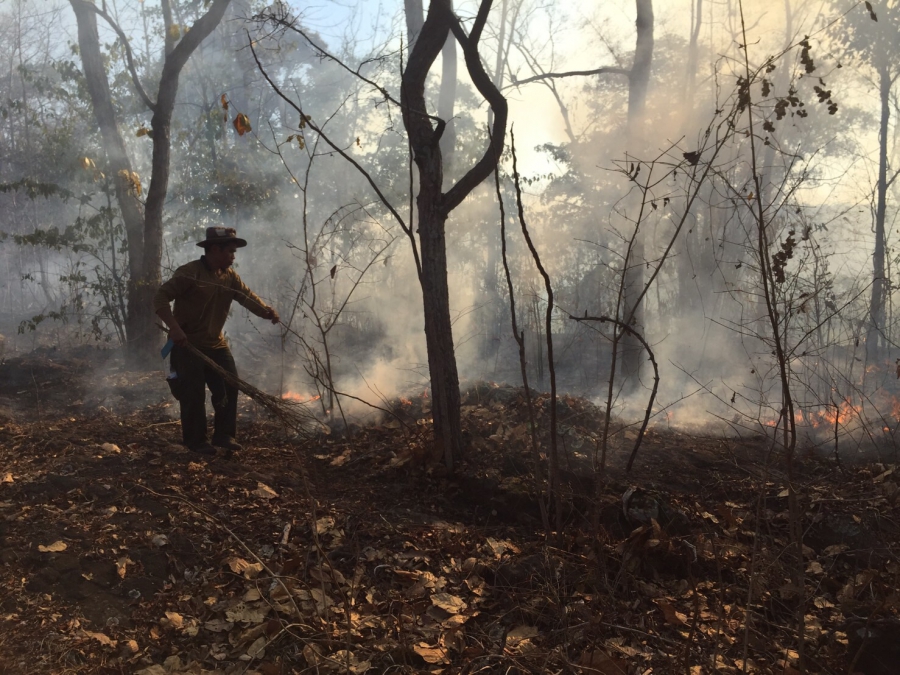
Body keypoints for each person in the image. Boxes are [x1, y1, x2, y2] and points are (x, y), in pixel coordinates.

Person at [154, 227, 279, 456]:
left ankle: (224, 435)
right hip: (187, 344)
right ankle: (196, 441)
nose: (233, 256)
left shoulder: (229, 276)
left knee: (229, 386)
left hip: (216, 344)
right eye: (230, 251)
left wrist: (266, 312)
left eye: (234, 252)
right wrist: (175, 328)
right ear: (214, 249)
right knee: (193, 394)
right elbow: (161, 297)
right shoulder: (189, 273)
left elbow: (246, 296)